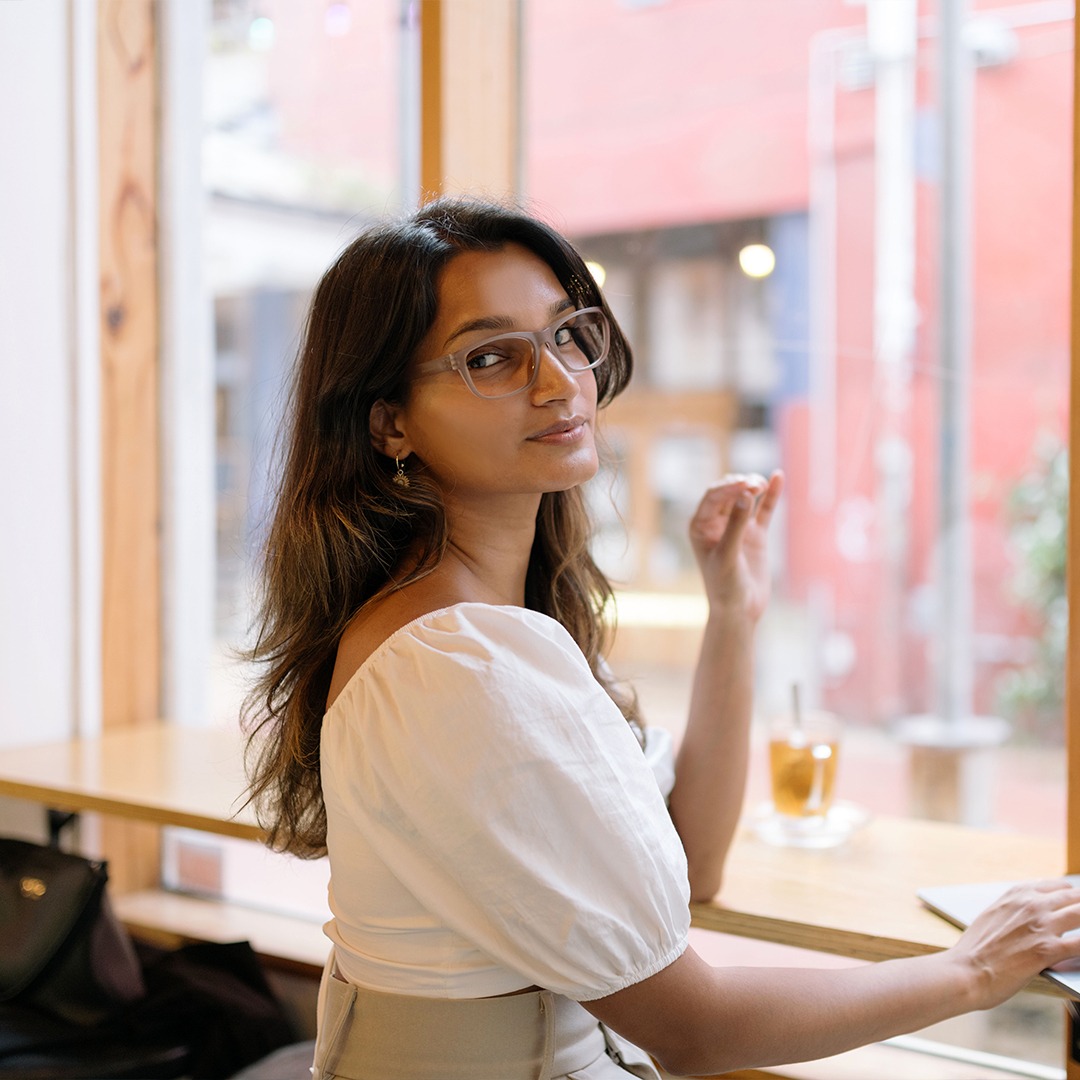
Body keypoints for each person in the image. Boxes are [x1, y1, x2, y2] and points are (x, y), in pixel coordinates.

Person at [242, 196, 1080, 1080]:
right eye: (491, 357)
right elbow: (695, 1029)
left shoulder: (489, 626)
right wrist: (972, 970)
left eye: (567, 334)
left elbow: (692, 865)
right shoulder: (456, 667)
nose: (559, 379)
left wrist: (731, 616)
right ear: (390, 423)